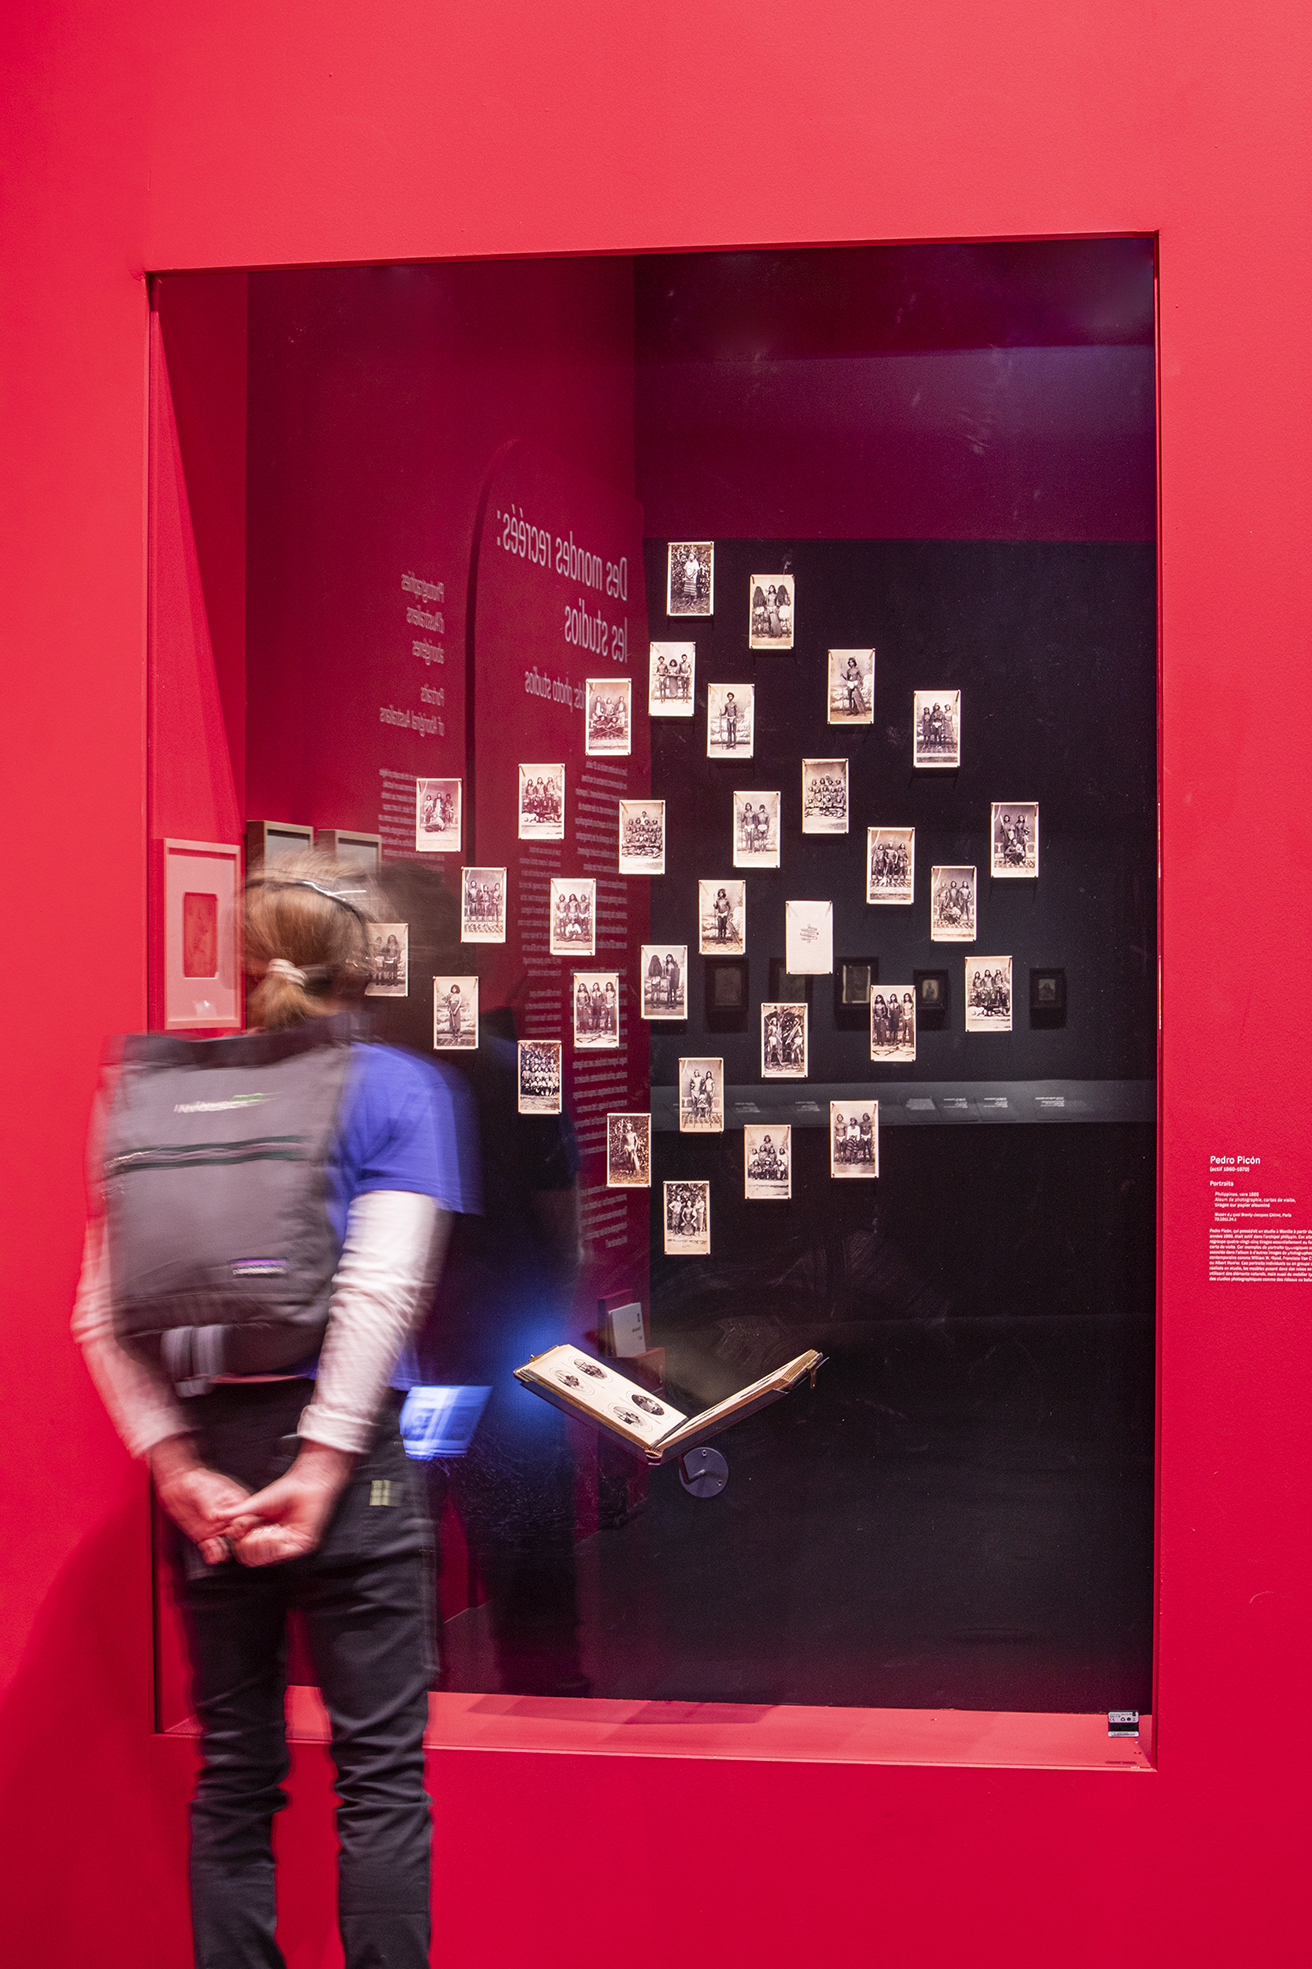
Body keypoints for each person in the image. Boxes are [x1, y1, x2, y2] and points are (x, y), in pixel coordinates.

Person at [73, 852, 478, 1969]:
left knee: (235, 1773)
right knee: (379, 1778)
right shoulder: (397, 1087)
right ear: (364, 965)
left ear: (239, 966)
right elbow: (379, 1295)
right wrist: (323, 1465)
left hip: (211, 1457)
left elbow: (99, 1315)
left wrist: (177, 1467)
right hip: (346, 1463)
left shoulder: (157, 1093)